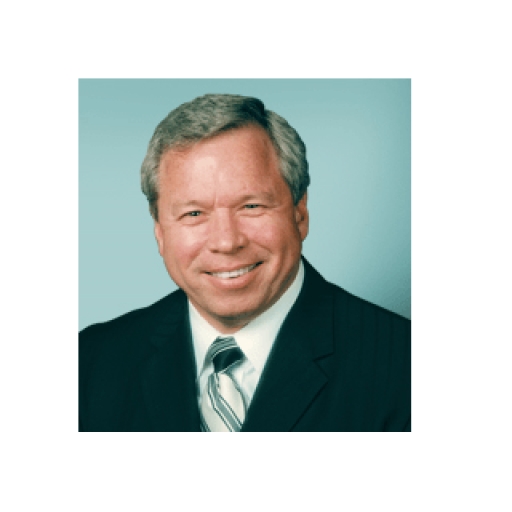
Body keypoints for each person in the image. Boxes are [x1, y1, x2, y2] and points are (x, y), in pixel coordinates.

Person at [79, 93, 411, 432]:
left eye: (252, 206)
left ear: (300, 214)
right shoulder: (90, 363)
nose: (226, 242)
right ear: (160, 232)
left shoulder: (402, 365)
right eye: (194, 214)